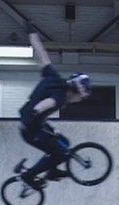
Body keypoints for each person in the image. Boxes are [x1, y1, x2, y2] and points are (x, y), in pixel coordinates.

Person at [17, 20, 92, 190]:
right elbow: (47, 103)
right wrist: (38, 111)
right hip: (31, 128)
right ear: (74, 91)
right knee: (60, 151)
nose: (78, 101)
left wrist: (32, 32)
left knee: (64, 143)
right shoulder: (59, 97)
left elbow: (41, 53)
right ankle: (28, 176)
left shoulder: (54, 78)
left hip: (34, 124)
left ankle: (52, 171)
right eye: (79, 97)